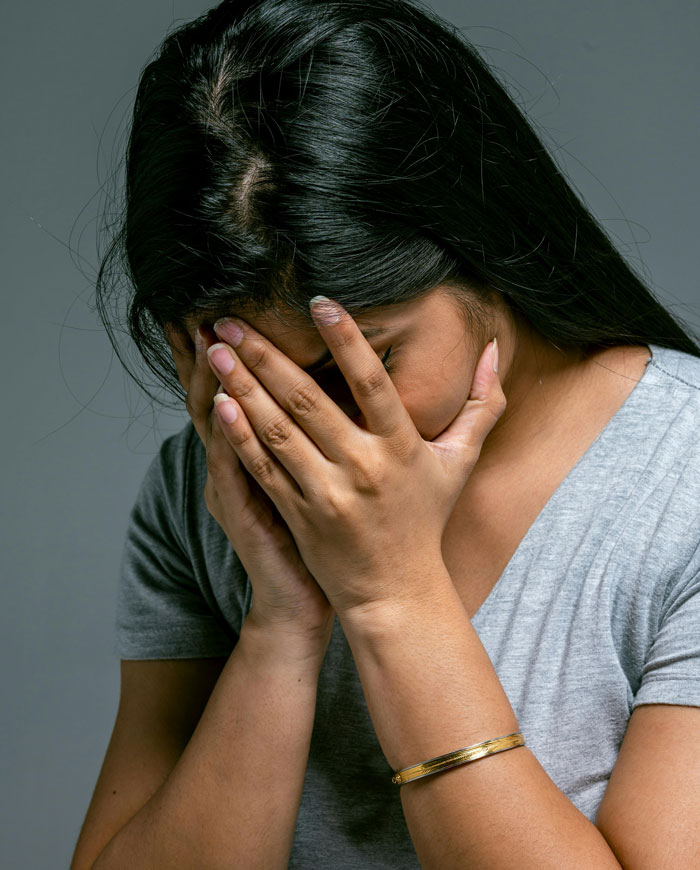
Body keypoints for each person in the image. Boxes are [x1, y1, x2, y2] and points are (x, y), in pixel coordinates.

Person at [71, 0, 700, 867]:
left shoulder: (684, 483)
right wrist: (282, 620)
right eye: (255, 377)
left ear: (486, 244)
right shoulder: (208, 492)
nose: (316, 429)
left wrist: (392, 597)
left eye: (363, 363)